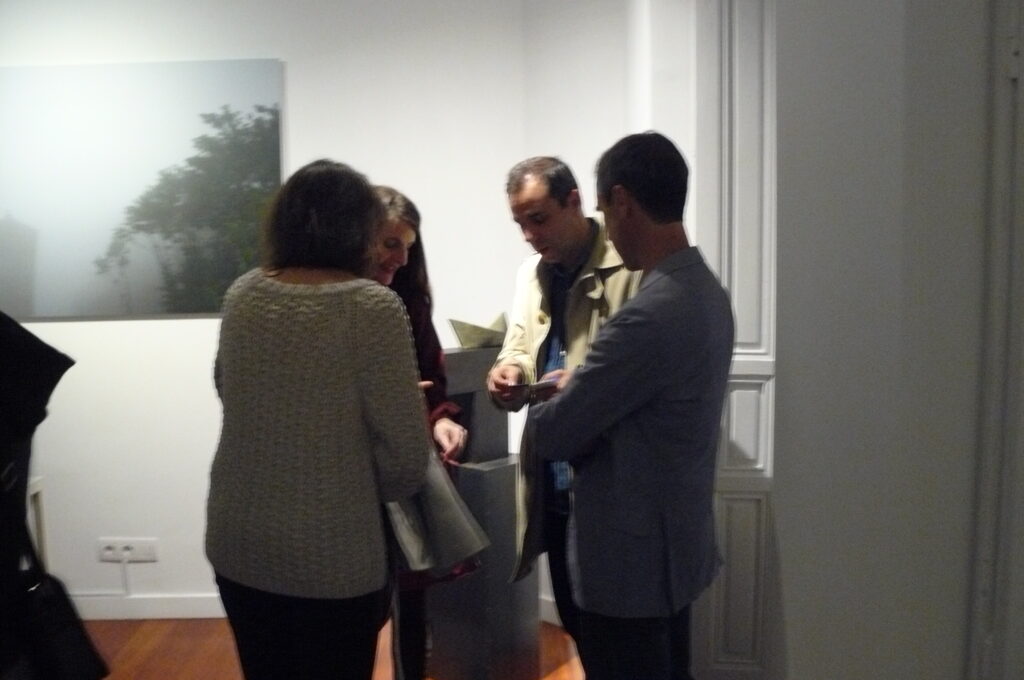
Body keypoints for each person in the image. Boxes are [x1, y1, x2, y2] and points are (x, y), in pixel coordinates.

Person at [205, 159, 431, 680]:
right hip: (333, 558)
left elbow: (227, 389)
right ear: (361, 228)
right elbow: (404, 465)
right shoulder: (373, 308)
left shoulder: (243, 294)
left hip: (239, 544)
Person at [526, 132, 735, 680]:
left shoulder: (649, 314)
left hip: (628, 566)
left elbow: (551, 434)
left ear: (621, 201)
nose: (609, 229)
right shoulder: (707, 292)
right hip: (674, 549)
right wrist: (589, 385)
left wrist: (566, 393)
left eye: (603, 210)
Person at [485, 157, 640, 646]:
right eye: (520, 223)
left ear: (574, 201)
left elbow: (641, 375)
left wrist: (585, 383)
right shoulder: (532, 274)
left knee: (619, 635)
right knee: (575, 620)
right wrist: (508, 372)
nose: (529, 235)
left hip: (608, 487)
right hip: (552, 479)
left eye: (539, 218)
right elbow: (518, 345)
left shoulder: (630, 266)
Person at [371, 185, 468, 680]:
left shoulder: (410, 301)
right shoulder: (338, 304)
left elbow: (433, 384)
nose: (402, 257)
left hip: (405, 469)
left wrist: (443, 418)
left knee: (412, 602)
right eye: (391, 243)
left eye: (408, 246)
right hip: (352, 477)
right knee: (361, 605)